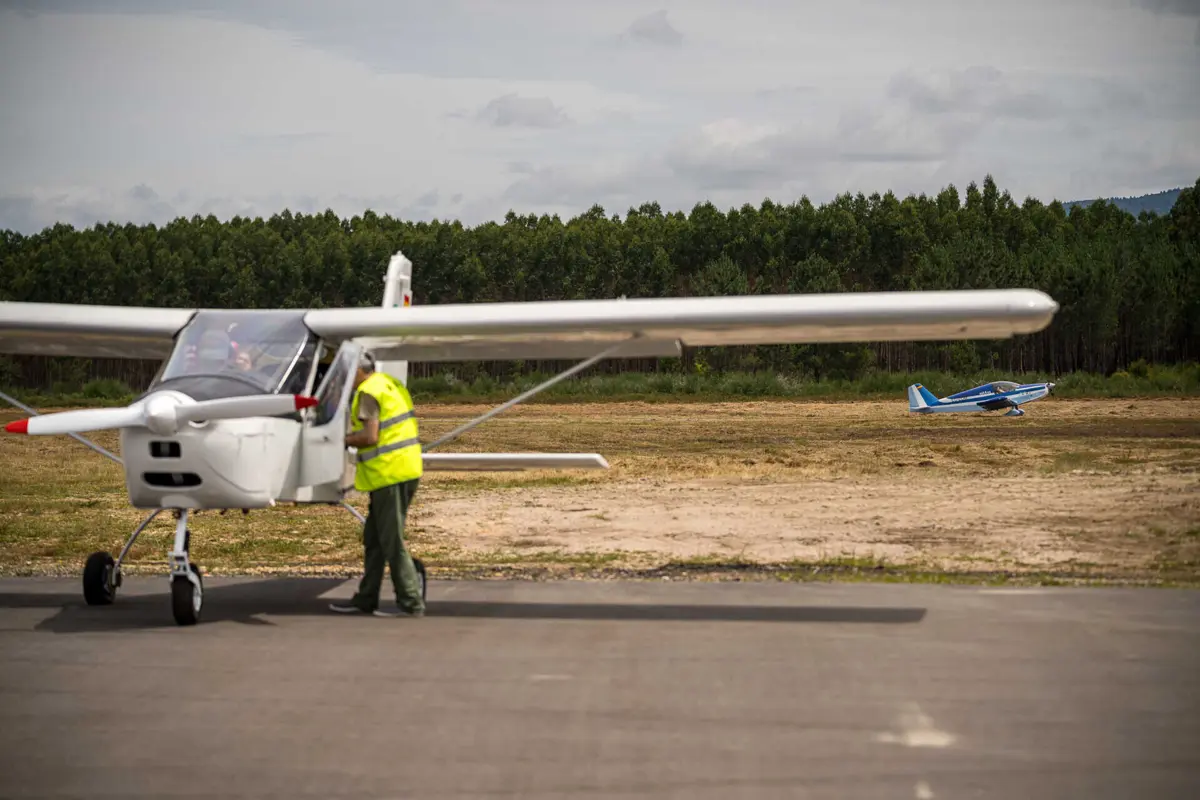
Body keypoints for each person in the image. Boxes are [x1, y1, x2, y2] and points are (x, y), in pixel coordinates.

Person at [329, 351, 426, 618]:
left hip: (389, 474)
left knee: (391, 540)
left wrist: (343, 440)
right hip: (406, 468)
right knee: (374, 538)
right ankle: (366, 598)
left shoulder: (368, 394)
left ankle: (410, 602)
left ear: (358, 371)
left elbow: (370, 436)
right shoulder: (389, 384)